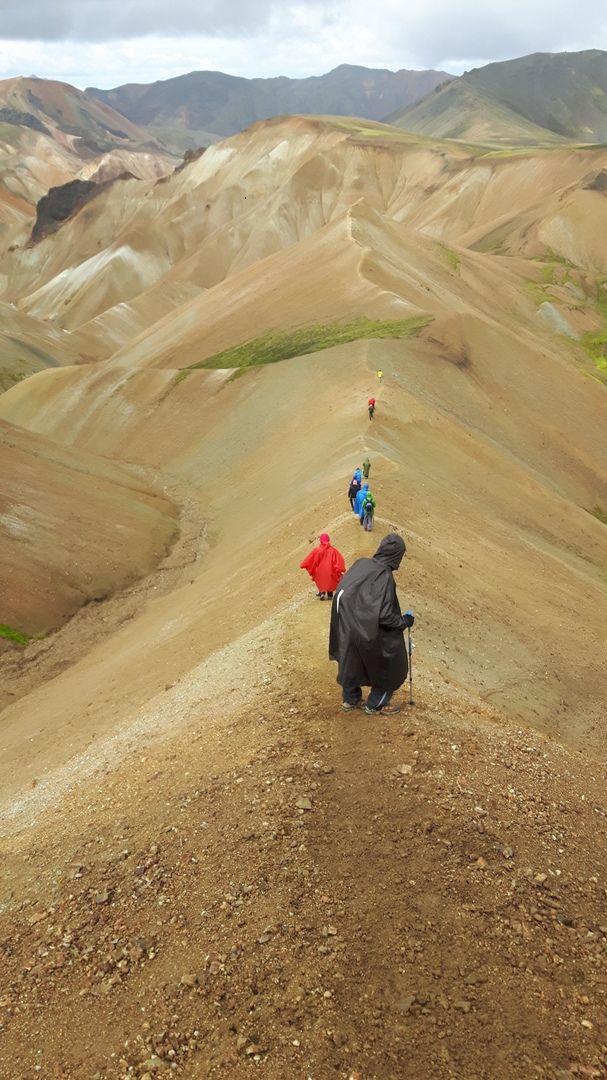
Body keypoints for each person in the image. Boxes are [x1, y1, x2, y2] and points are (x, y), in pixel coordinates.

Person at [329, 533, 414, 715]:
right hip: (366, 631)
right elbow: (384, 615)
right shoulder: (384, 575)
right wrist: (403, 621)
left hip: (345, 626)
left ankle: (350, 700)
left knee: (350, 661)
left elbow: (343, 591)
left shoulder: (361, 564)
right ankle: (375, 704)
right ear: (396, 555)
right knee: (390, 666)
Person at [300, 533, 346, 601]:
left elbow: (311, 559)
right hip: (330, 572)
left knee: (320, 579)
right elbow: (339, 561)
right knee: (330, 580)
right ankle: (330, 594)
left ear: (321, 540)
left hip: (320, 572)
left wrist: (304, 565)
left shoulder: (317, 550)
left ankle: (322, 593)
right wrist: (340, 570)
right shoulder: (333, 550)